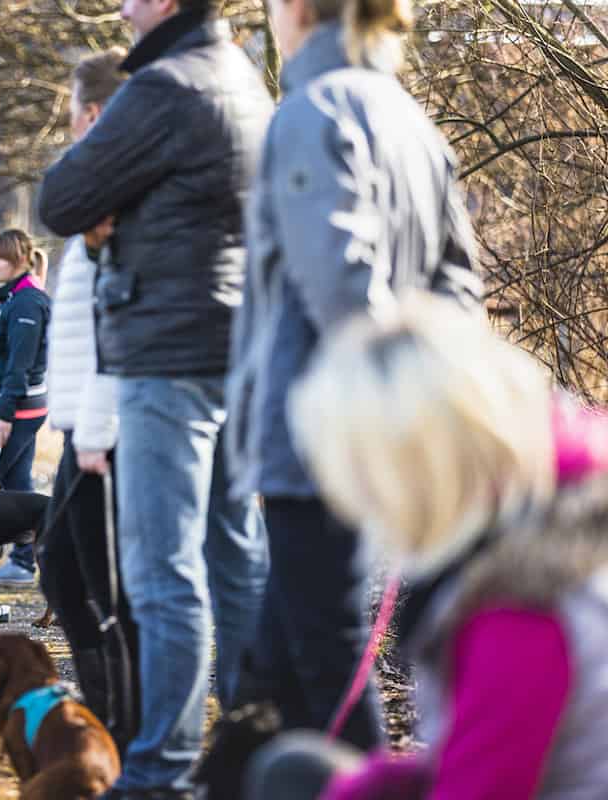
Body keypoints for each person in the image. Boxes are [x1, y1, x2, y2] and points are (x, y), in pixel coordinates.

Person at [223, 0, 483, 752]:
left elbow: (344, 291)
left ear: (299, 8)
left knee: (326, 656)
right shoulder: (412, 123)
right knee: (266, 675)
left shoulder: (309, 113)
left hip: (321, 440)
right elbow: (459, 294)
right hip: (371, 431)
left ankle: (372, 782)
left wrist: (383, 408)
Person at [39, 1, 273, 794]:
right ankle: (251, 753)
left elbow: (63, 196)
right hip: (237, 349)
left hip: (165, 355)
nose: (125, 7)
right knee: (235, 561)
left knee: (164, 574)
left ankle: (160, 769)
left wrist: (115, 211)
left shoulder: (162, 84)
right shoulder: (242, 77)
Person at [246, 294, 608, 800]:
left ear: (414, 468)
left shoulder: (520, 612)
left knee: (290, 778)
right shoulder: (547, 532)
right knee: (295, 772)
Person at [35, 46, 141, 752]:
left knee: (107, 588)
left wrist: (97, 423)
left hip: (109, 427)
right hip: (86, 423)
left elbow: (120, 319)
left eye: (70, 112)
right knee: (64, 570)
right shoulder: (104, 190)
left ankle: (129, 731)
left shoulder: (120, 194)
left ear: (93, 113)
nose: (66, 126)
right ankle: (110, 716)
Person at [0, 229, 51, 587]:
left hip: (14, 411)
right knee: (18, 484)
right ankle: (21, 562)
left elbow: (21, 363)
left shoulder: (28, 302)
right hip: (11, 407)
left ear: (19, 258)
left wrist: (2, 416)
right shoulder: (16, 299)